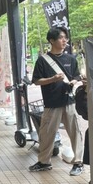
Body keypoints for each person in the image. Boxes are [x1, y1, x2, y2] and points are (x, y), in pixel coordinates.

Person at [29, 27, 84, 175]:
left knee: (75, 132)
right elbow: (36, 81)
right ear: (52, 41)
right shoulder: (42, 60)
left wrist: (74, 81)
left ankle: (78, 162)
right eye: (61, 38)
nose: (64, 40)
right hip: (51, 103)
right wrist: (53, 79)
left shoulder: (71, 59)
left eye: (65, 37)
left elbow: (77, 76)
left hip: (69, 101)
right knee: (46, 133)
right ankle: (44, 162)